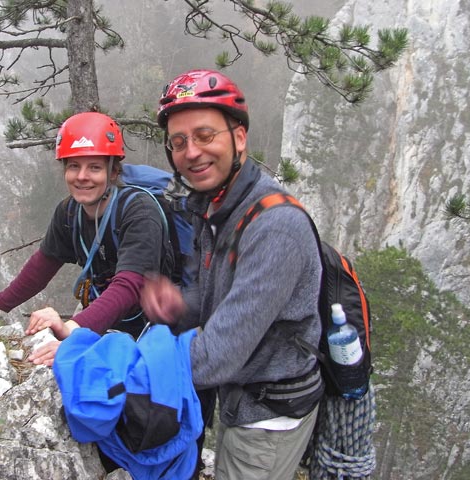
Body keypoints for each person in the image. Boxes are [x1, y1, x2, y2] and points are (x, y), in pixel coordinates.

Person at [140, 69, 325, 480]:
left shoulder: (275, 226)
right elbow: (214, 305)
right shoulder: (216, 208)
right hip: (243, 397)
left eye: (205, 135)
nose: (191, 152)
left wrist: (117, 366)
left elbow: (214, 359)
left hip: (268, 418)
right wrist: (180, 308)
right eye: (179, 142)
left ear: (239, 137)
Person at [0, 111, 175, 366]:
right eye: (74, 165)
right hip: (108, 316)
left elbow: (131, 285)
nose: (82, 176)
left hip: (157, 325)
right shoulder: (69, 212)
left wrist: (73, 328)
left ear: (113, 172)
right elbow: (43, 264)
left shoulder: (139, 210)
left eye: (94, 167)